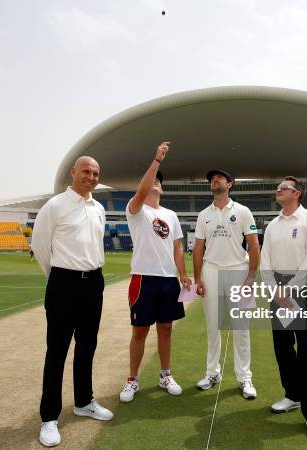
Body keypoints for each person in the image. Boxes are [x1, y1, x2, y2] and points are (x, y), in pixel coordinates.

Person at [31, 156, 113, 448]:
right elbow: (40, 246)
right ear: (73, 173)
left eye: (96, 173)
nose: (91, 177)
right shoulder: (55, 206)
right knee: (57, 350)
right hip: (63, 283)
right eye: (86, 172)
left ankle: (83, 401)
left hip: (94, 282)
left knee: (87, 344)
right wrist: (57, 279)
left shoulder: (99, 208)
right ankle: (49, 417)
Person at [119, 142, 191, 403]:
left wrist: (183, 275)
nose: (156, 182)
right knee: (139, 330)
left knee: (166, 328)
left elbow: (178, 247)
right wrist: (157, 161)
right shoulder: (136, 209)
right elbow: (142, 190)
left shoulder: (170, 215)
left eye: (160, 181)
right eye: (152, 180)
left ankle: (165, 375)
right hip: (143, 278)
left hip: (168, 280)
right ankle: (132, 379)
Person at [260, 176, 307, 441]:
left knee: (306, 350)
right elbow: (265, 259)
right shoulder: (273, 225)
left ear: (297, 193)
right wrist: (274, 289)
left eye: (284, 187)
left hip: (303, 287)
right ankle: (293, 395)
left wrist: (290, 289)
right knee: (283, 347)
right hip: (276, 289)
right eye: (279, 187)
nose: (279, 190)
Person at [193, 169, 260, 399]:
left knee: (241, 328)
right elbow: (198, 248)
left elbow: (253, 245)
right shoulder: (204, 215)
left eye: (220, 178)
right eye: (211, 178)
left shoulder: (242, 211)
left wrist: (251, 277)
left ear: (230, 184)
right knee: (213, 326)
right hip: (210, 270)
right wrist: (197, 279)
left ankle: (244, 377)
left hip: (238, 271)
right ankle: (212, 373)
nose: (215, 180)